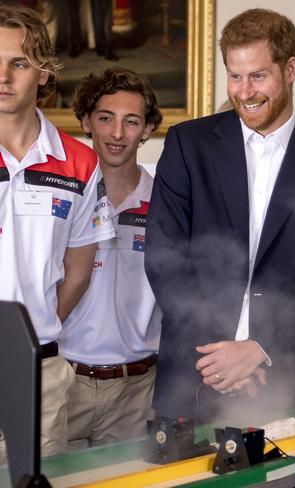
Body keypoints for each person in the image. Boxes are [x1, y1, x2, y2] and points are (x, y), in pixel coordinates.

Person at [145, 8, 295, 422]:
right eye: (235, 76)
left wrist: (260, 350)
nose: (244, 92)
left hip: (290, 381)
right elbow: (164, 257)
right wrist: (221, 359)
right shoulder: (187, 145)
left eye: (258, 76)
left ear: (291, 68)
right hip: (194, 377)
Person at [0, 5, 113, 460]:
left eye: (19, 63)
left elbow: (80, 270)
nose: (3, 76)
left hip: (39, 373)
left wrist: (33, 331)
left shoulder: (80, 163)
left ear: (44, 73)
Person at [57, 67, 163, 449]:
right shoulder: (64, 194)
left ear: (148, 129)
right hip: (62, 380)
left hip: (135, 390)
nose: (117, 134)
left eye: (131, 121)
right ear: (86, 121)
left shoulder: (168, 201)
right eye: (105, 118)